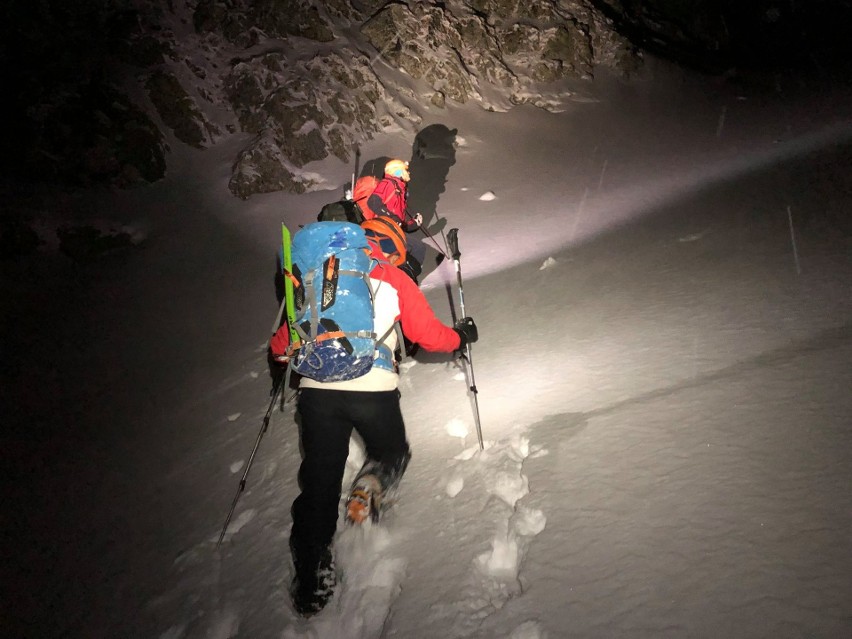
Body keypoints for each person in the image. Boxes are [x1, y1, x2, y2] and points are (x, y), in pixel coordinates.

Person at [269, 218, 479, 617]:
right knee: (391, 451)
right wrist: (460, 337)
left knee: (319, 483)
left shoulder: (312, 279)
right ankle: (370, 485)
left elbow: (282, 346)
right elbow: (428, 336)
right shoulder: (391, 276)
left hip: (316, 394)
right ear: (388, 245)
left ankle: (313, 580)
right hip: (374, 389)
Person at [367, 159, 424, 282]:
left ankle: (405, 278)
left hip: (391, 229)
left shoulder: (399, 188)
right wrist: (391, 217)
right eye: (403, 170)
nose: (406, 172)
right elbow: (373, 202)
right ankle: (407, 280)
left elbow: (400, 223)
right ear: (396, 171)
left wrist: (413, 224)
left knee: (415, 248)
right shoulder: (387, 183)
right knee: (418, 247)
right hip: (383, 230)